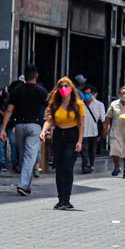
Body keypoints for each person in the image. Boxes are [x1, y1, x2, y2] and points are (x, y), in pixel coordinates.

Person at [0, 66, 46, 196]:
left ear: (24, 76)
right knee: (29, 156)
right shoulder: (41, 91)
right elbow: (48, 109)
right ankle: (23, 185)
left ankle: (27, 185)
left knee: (23, 154)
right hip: (34, 125)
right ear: (36, 75)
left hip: (19, 126)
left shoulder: (16, 90)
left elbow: (9, 110)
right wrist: (48, 126)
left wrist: (3, 129)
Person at [41, 77, 85, 210]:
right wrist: (43, 131)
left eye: (66, 86)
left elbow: (82, 124)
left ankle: (67, 199)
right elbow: (49, 120)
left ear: (71, 88)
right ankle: (61, 199)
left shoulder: (78, 104)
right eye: (61, 86)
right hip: (59, 135)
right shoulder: (55, 104)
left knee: (67, 166)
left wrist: (80, 141)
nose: (64, 88)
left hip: (72, 135)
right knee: (59, 168)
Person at [80, 80, 106, 174]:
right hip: (82, 131)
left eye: (88, 93)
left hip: (94, 131)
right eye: (85, 93)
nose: (86, 95)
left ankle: (91, 164)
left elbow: (103, 119)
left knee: (92, 150)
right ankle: (85, 166)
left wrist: (105, 131)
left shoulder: (99, 105)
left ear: (94, 94)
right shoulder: (80, 104)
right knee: (84, 150)